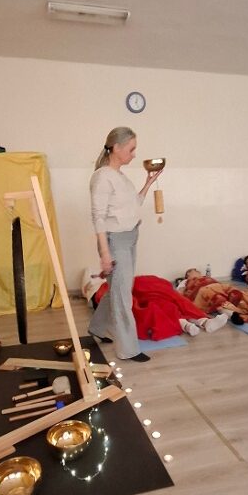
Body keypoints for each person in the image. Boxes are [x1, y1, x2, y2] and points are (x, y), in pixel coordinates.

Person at [88, 127, 162, 362]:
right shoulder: (102, 177)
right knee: (122, 297)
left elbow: (133, 204)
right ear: (117, 147)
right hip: (115, 241)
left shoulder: (120, 176)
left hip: (130, 237)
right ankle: (128, 350)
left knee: (118, 290)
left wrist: (148, 183)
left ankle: (96, 328)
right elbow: (98, 218)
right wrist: (105, 253)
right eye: (131, 149)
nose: (134, 154)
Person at [91, 275, 229, 340]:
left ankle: (204, 321)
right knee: (159, 305)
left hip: (143, 285)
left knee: (171, 298)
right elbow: (109, 296)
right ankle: (192, 323)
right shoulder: (101, 288)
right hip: (134, 290)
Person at [181, 269, 248, 326]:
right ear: (188, 275)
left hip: (219, 287)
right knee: (217, 298)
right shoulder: (186, 282)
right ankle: (233, 315)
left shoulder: (206, 277)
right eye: (192, 270)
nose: (196, 271)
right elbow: (181, 294)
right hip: (205, 290)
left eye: (196, 270)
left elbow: (217, 282)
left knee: (239, 294)